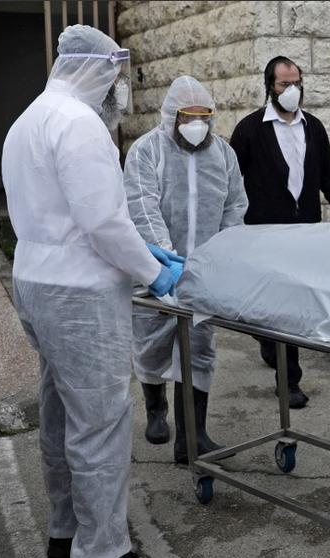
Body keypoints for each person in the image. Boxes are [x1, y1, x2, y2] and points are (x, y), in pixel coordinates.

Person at [1, 25, 179, 558]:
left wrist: (131, 246)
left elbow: (66, 213)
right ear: (95, 71)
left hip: (35, 279)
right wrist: (155, 273)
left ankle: (65, 528)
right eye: (116, 76)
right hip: (79, 291)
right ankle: (101, 553)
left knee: (59, 407)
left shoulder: (29, 118)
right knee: (100, 418)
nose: (118, 89)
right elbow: (104, 222)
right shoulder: (80, 125)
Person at [125, 76, 248, 464]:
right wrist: (164, 257)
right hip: (155, 269)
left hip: (202, 273)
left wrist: (225, 255)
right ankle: (156, 408)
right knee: (151, 346)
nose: (196, 125)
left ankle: (192, 439)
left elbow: (235, 206)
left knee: (198, 351)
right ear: (171, 117)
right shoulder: (147, 151)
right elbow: (141, 205)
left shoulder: (223, 154)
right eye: (188, 117)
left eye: (204, 117)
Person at [230, 55, 330, 409]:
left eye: (296, 83)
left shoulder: (313, 128)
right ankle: (286, 376)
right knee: (275, 305)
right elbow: (229, 181)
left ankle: (282, 364)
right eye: (284, 84)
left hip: (305, 233)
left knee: (294, 306)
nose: (291, 90)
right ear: (269, 86)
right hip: (265, 233)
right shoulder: (250, 129)